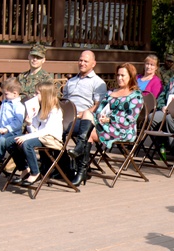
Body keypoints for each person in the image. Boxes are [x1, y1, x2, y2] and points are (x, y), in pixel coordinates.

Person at [82, 63, 145, 183]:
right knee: (87, 115)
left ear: (131, 77)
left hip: (123, 130)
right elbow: (100, 110)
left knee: (88, 133)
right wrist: (101, 117)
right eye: (118, 75)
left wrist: (111, 119)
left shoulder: (136, 96)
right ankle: (82, 168)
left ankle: (82, 169)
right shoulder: (110, 92)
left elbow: (129, 118)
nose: (119, 78)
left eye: (123, 75)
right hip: (104, 125)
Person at [62, 50, 108, 183]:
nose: (82, 63)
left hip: (84, 119)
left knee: (72, 130)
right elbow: (64, 101)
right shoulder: (71, 81)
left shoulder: (98, 82)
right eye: (80, 60)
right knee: (50, 130)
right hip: (67, 116)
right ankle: (61, 166)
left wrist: (82, 114)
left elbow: (98, 105)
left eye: (86, 61)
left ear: (93, 64)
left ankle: (80, 168)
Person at [8, 81, 65, 187]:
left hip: (51, 139)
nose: (34, 95)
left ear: (45, 95)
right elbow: (34, 132)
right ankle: (24, 169)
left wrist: (26, 137)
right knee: (9, 142)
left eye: (37, 93)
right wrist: (29, 124)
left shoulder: (55, 111)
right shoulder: (39, 108)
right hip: (40, 136)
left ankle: (35, 172)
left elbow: (46, 131)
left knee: (26, 144)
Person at [0, 77, 26, 172]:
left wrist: (7, 128)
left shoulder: (19, 106)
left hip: (12, 132)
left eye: (6, 94)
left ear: (15, 93)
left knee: (2, 139)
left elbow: (18, 122)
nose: (3, 95)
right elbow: (2, 114)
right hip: (0, 129)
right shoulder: (5, 102)